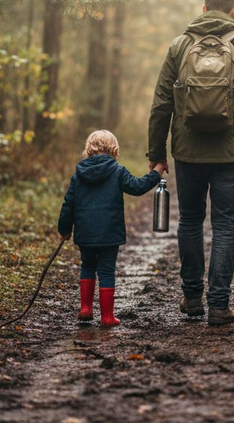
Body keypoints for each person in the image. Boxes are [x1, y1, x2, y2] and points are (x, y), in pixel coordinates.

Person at [147, 0, 234, 326]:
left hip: (188, 151)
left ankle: (192, 298)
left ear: (204, 8)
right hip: (231, 153)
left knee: (190, 221)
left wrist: (157, 153)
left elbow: (161, 104)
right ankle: (219, 306)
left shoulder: (179, 46)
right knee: (224, 225)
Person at [58, 130, 166, 326]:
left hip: (85, 232)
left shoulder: (78, 174)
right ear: (114, 150)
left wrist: (64, 228)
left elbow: (68, 204)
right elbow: (137, 187)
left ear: (88, 150)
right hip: (109, 232)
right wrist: (156, 172)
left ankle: (85, 309)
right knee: (106, 271)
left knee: (87, 266)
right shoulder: (117, 171)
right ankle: (107, 317)